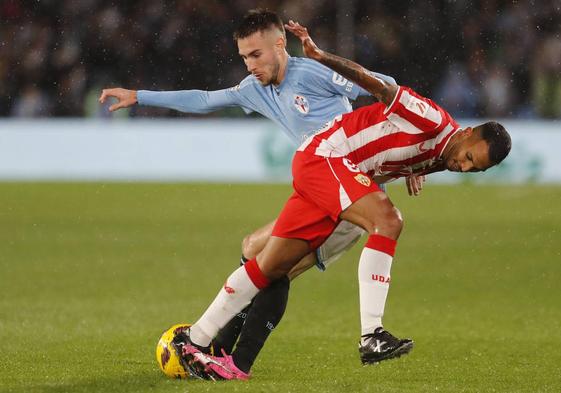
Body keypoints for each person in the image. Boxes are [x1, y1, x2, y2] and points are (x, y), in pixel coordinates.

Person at [169, 20, 512, 381]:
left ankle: (198, 341)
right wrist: (321, 56)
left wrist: (414, 166)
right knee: (389, 219)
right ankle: (372, 335)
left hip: (329, 171)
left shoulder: (444, 153)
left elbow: (404, 152)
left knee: (268, 265)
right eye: (470, 158)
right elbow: (377, 84)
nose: (463, 167)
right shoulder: (431, 119)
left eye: (475, 170)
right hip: (328, 157)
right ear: (469, 133)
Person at [99, 9, 416, 376]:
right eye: (244, 57)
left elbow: (384, 84)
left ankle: (234, 358)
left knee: (274, 267)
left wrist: (408, 154)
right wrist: (140, 96)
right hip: (321, 191)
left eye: (256, 55)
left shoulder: (311, 73)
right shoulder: (255, 88)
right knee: (254, 250)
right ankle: (220, 349)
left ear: (280, 44)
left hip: (351, 199)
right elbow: (204, 99)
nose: (250, 65)